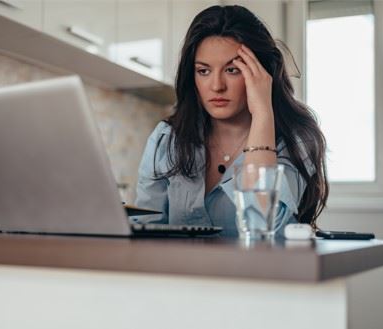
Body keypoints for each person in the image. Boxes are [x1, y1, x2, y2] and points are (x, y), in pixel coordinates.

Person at [134, 5, 329, 237]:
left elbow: (263, 229)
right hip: (179, 272)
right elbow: (145, 229)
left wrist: (263, 114)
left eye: (232, 70)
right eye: (203, 71)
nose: (216, 85)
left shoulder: (295, 140)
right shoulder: (166, 138)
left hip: (261, 273)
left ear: (262, 74)